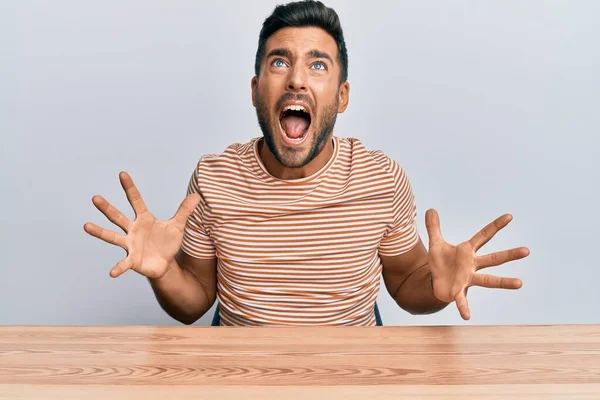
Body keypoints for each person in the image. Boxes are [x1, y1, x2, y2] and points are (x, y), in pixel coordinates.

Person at [83, 0, 529, 326]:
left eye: (318, 66)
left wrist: (437, 286)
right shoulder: (214, 178)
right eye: (281, 62)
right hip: (243, 373)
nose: (296, 78)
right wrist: (162, 273)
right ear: (257, 89)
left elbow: (405, 282)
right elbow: (195, 300)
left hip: (351, 372)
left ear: (342, 96)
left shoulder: (379, 177)